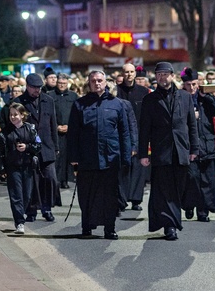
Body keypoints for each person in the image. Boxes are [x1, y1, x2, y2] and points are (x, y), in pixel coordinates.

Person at [138, 62, 199, 241]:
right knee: (164, 190)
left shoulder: (184, 97)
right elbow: (145, 129)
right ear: (155, 77)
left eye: (165, 74)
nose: (162, 78)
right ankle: (170, 225)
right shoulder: (150, 100)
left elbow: (191, 126)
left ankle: (178, 214)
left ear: (173, 76)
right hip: (161, 151)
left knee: (180, 187)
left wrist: (194, 149)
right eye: (159, 74)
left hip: (181, 150)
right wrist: (143, 153)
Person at [67, 71, 132, 239]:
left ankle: (109, 228)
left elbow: (124, 132)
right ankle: (87, 226)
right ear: (89, 83)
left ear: (106, 82)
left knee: (110, 195)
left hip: (111, 157)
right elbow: (73, 133)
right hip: (87, 158)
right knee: (86, 194)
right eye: (93, 81)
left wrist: (126, 157)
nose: (97, 83)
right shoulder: (79, 104)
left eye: (100, 80)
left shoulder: (117, 104)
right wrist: (73, 158)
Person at [0, 73, 59, 222]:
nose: (37, 90)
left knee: (50, 178)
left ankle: (47, 208)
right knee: (33, 181)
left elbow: (53, 124)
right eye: (34, 88)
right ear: (27, 86)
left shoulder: (48, 100)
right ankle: (31, 210)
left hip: (46, 146)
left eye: (39, 87)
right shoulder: (19, 102)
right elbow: (11, 126)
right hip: (27, 148)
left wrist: (56, 146)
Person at [180, 68, 215, 222]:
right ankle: (189, 205)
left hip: (207, 144)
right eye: (188, 84)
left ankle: (203, 211)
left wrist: (208, 97)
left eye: (193, 84)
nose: (191, 88)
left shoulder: (205, 98)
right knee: (191, 179)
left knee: (207, 180)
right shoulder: (180, 98)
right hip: (189, 146)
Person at [0, 103, 41, 234]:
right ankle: (19, 222)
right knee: (15, 195)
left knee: (26, 194)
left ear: (22, 115)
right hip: (12, 167)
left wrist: (27, 147)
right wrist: (2, 168)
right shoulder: (5, 131)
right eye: (11, 114)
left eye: (15, 114)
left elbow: (38, 145)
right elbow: (1, 151)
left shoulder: (31, 129)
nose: (13, 117)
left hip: (28, 166)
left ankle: (22, 212)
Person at [116, 63, 151, 211]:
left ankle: (136, 200)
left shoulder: (144, 92)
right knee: (122, 168)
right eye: (126, 72)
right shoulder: (116, 92)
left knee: (138, 168)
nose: (129, 74)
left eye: (131, 72)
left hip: (141, 133)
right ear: (122, 74)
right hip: (120, 135)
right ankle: (121, 200)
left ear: (135, 74)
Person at [50, 73, 78, 189]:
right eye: (60, 83)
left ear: (68, 84)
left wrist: (70, 126)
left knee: (67, 157)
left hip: (69, 132)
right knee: (57, 157)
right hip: (55, 131)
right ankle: (55, 180)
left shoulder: (73, 96)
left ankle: (65, 180)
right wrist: (56, 126)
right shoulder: (50, 96)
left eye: (64, 84)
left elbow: (77, 114)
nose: (62, 86)